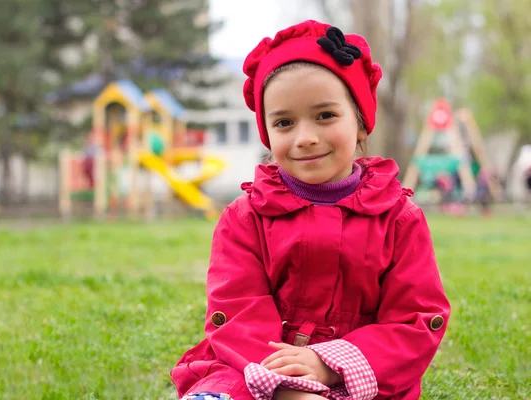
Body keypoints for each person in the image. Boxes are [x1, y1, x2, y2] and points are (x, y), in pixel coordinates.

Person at [171, 20, 450, 400]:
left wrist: (328, 364)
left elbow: (415, 321)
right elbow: (237, 311)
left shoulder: (399, 219)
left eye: (325, 116)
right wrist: (287, 385)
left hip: (361, 377)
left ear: (361, 125)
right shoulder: (246, 218)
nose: (305, 138)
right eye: (285, 123)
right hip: (252, 370)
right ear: (268, 134)